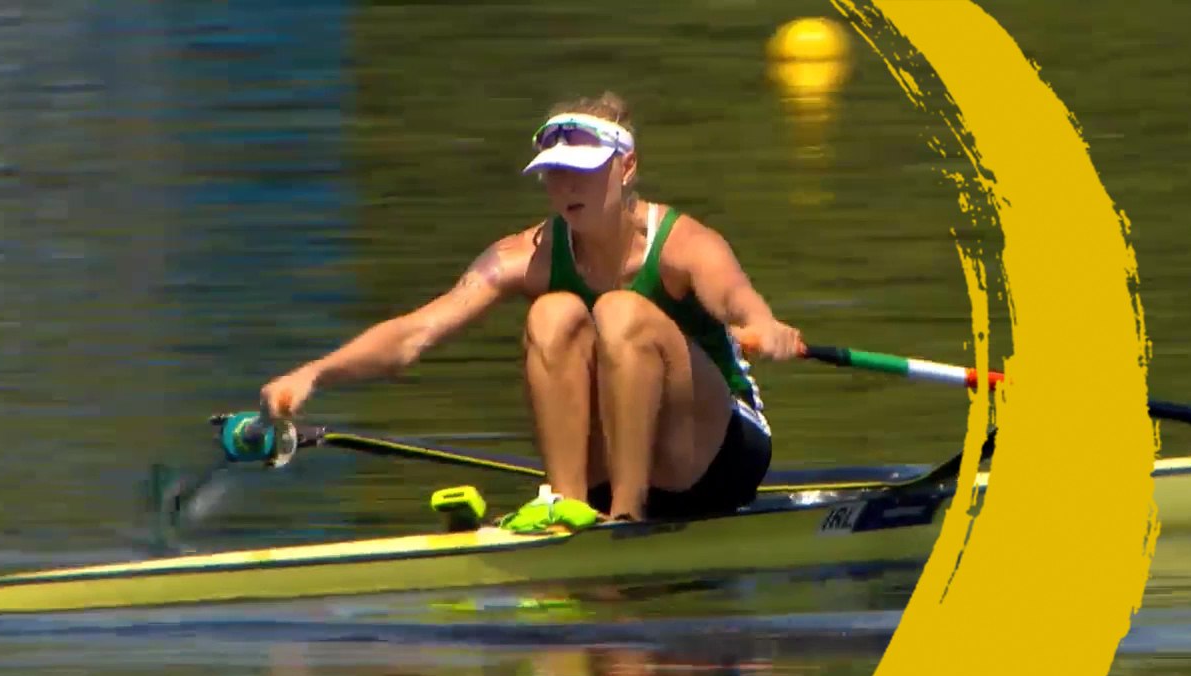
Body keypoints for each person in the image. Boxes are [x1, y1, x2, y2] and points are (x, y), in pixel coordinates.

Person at [260, 91, 806, 525]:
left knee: (620, 312)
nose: (565, 185)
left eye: (583, 169)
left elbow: (738, 300)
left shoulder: (685, 245)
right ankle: (565, 507)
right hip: (611, 457)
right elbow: (413, 335)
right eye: (553, 170)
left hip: (715, 457)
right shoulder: (526, 255)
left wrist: (764, 326)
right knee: (551, 314)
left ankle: (627, 516)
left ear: (628, 166)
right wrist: (315, 373)